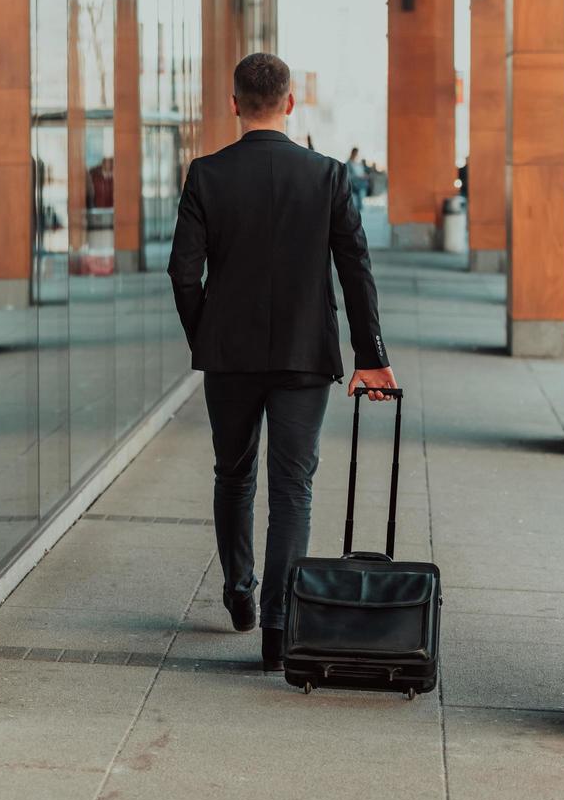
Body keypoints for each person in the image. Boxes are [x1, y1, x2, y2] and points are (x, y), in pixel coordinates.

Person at [167, 52, 396, 673]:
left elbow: (184, 273)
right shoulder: (325, 176)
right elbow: (356, 271)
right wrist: (370, 356)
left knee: (233, 474)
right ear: (290, 104)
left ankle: (239, 596)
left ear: (235, 103)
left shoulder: (206, 175)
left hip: (230, 358)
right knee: (292, 488)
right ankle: (276, 626)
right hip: (304, 356)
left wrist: (206, 336)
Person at [346, 146, 370, 211]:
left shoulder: (357, 163)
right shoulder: (348, 163)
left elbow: (361, 172)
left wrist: (363, 176)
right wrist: (359, 177)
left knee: (364, 185)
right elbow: (349, 175)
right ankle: (359, 207)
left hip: (359, 182)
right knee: (359, 188)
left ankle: (360, 206)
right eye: (356, 153)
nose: (357, 155)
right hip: (353, 182)